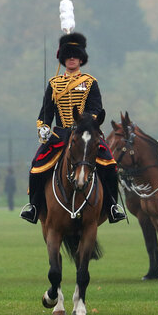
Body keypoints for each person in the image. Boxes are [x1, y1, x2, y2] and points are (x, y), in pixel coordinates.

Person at [20, 32, 125, 224]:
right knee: (36, 166)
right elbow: (46, 112)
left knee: (109, 164)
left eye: (75, 55)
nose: (71, 59)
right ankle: (34, 207)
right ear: (63, 58)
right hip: (60, 135)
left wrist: (85, 123)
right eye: (68, 55)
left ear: (81, 58)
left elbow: (96, 109)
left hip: (85, 133)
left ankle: (112, 206)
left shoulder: (90, 82)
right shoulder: (54, 84)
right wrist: (43, 127)